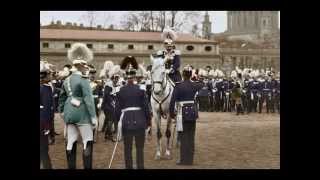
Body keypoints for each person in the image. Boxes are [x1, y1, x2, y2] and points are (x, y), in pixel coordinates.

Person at [58, 43, 98, 169]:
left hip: (69, 113)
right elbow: (88, 99)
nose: (86, 68)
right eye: (84, 65)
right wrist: (93, 116)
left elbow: (62, 97)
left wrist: (62, 111)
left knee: (71, 142)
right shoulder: (83, 79)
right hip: (82, 114)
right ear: (80, 65)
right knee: (87, 140)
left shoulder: (66, 80)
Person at [115, 56, 152, 169]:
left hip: (126, 122)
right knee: (140, 149)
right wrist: (148, 121)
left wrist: (118, 123)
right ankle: (140, 167)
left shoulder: (120, 90)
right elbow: (146, 107)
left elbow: (117, 110)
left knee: (128, 149)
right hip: (140, 121)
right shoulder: (141, 89)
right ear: (135, 76)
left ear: (125, 76)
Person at [169, 65, 204, 165]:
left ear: (183, 75)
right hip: (192, 112)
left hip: (182, 113)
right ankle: (190, 160)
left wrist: (172, 114)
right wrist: (196, 77)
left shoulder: (178, 85)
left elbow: (172, 101)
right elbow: (202, 84)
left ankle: (184, 160)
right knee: (191, 136)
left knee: (183, 137)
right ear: (190, 75)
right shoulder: (194, 85)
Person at [102, 65, 122, 142]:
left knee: (112, 120)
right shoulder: (108, 84)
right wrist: (112, 102)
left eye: (117, 78)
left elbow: (117, 94)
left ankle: (107, 135)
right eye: (115, 78)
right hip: (107, 105)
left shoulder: (116, 85)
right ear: (112, 78)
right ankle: (110, 135)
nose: (117, 80)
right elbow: (106, 95)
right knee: (110, 120)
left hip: (113, 104)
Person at [40, 60, 54, 169]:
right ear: (43, 77)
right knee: (44, 148)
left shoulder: (45, 87)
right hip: (42, 122)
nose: (51, 75)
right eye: (49, 74)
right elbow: (46, 109)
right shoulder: (45, 88)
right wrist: (47, 126)